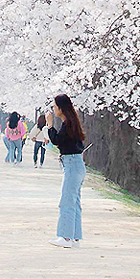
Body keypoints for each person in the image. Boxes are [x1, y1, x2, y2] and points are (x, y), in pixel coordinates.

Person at [47, 94, 86, 248]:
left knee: (67, 201)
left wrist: (50, 126)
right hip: (76, 164)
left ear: (61, 108)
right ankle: (75, 238)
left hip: (72, 165)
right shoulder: (71, 123)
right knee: (74, 202)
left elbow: (57, 141)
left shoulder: (68, 124)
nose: (53, 109)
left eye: (55, 106)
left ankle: (66, 237)